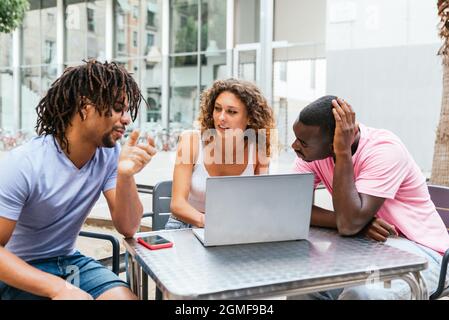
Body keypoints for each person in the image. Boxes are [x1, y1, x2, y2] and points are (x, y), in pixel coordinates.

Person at [0, 60, 156, 300]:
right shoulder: (25, 163)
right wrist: (58, 288)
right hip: (18, 271)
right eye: (117, 108)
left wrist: (126, 175)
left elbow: (128, 227)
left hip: (69, 262)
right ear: (85, 106)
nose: (126, 119)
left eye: (127, 110)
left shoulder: (110, 154)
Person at [291, 95, 449, 299]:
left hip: (424, 253)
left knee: (362, 294)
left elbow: (348, 224)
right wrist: (362, 225)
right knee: (303, 287)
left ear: (333, 144)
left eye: (303, 142)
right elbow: (293, 209)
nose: (294, 146)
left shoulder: (384, 149)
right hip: (366, 246)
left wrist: (342, 153)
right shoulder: (312, 155)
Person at [166, 79, 275, 229]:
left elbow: (260, 203)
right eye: (217, 109)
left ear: (250, 117)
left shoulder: (258, 151)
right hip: (185, 224)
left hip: (233, 225)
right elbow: (177, 205)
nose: (221, 117)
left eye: (232, 112)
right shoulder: (190, 141)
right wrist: (213, 224)